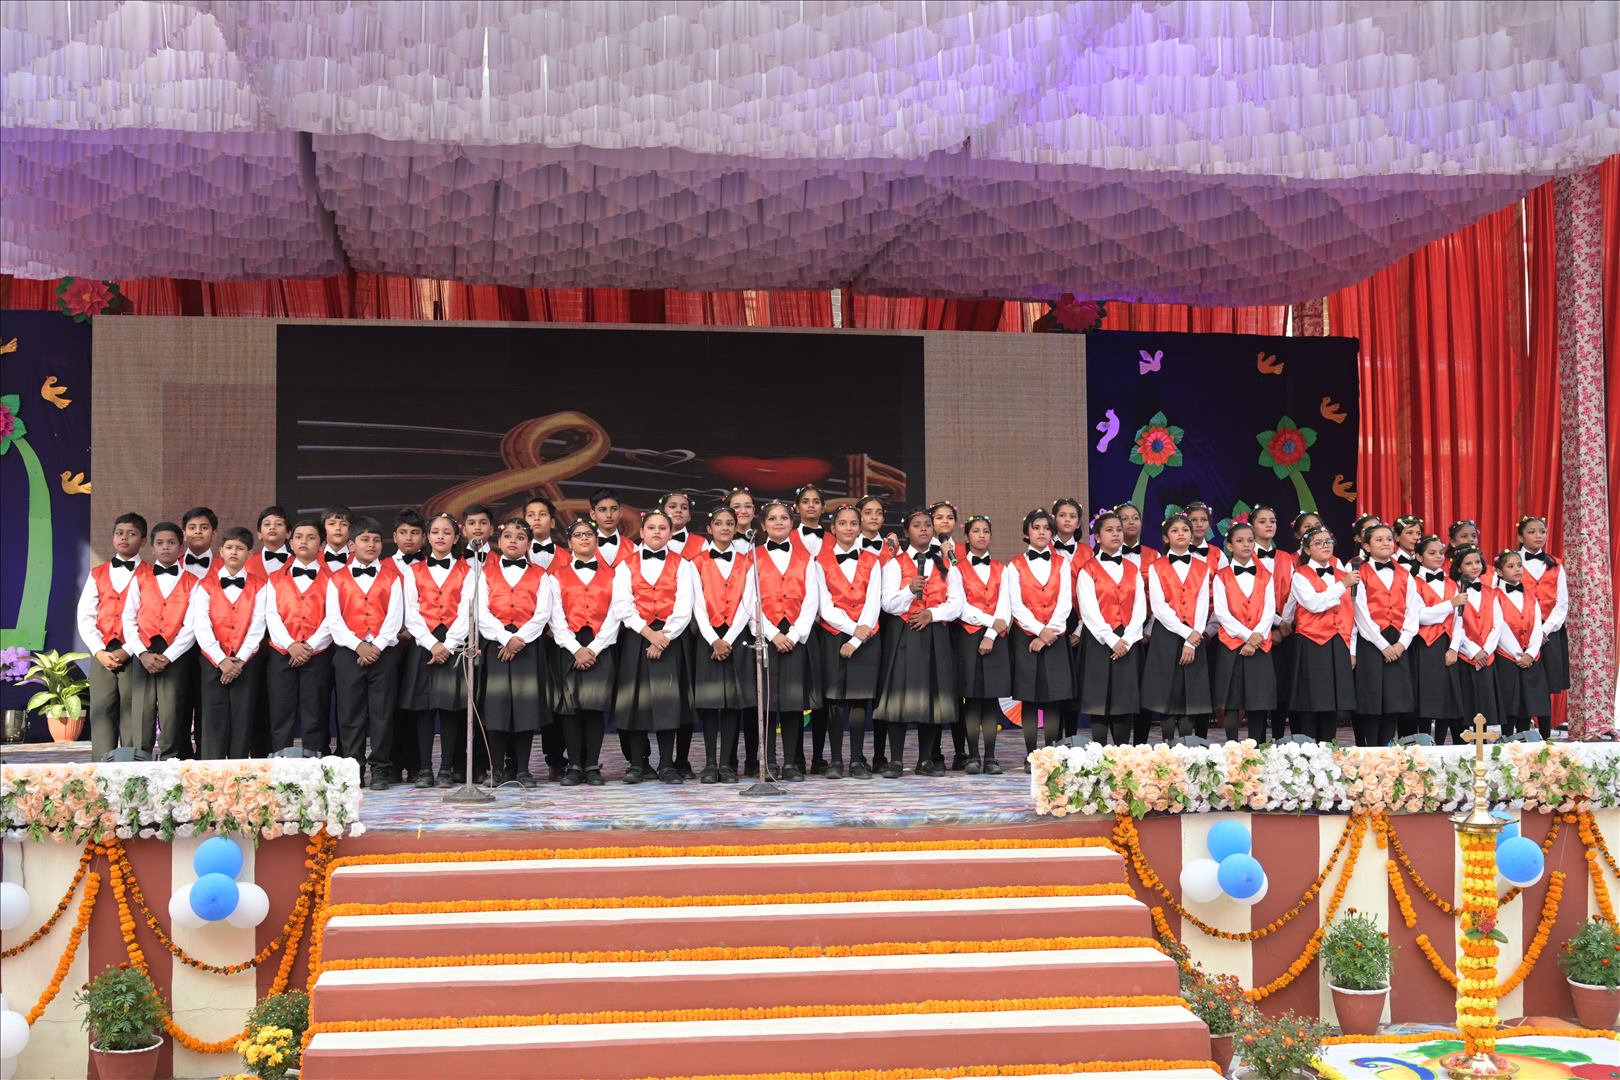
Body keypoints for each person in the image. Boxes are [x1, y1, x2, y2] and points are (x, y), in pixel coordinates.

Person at [875, 509, 963, 777]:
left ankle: (926, 759)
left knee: (931, 696)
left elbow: (957, 603)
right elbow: (887, 603)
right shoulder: (895, 564)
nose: (923, 529)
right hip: (903, 633)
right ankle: (896, 760)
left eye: (927, 525)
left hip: (934, 633)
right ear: (907, 531)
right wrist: (909, 590)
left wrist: (932, 614)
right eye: (916, 525)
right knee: (899, 698)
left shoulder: (947, 564)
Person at [612, 509, 693, 783]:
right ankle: (637, 764)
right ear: (642, 532)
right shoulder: (625, 565)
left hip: (671, 638)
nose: (657, 532)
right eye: (651, 527)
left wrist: (664, 637)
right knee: (637, 702)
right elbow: (623, 606)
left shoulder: (683, 565)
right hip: (638, 637)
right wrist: (649, 634)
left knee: (667, 702)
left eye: (662, 528)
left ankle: (667, 764)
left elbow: (684, 606)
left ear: (670, 533)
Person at [324, 517, 404, 788]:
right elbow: (334, 620)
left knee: (382, 713)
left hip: (384, 653)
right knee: (350, 713)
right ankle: (353, 767)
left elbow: (395, 618)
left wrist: (376, 646)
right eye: (365, 539)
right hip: (349, 653)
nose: (371, 544)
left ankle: (381, 767)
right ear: (351, 544)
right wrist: (358, 645)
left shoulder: (392, 577)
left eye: (376, 540)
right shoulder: (337, 579)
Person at [476, 518, 553, 786]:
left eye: (520, 538)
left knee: (524, 708)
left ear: (528, 544)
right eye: (508, 536)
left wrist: (519, 639)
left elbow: (543, 613)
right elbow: (480, 611)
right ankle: (497, 769)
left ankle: (522, 769)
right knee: (496, 708)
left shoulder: (540, 575)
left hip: (526, 646)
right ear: (499, 541)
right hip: (496, 644)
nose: (513, 541)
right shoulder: (485, 573)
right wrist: (505, 638)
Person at [749, 501, 823, 780]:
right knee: (767, 702)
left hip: (795, 636)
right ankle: (768, 761)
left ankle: (792, 762)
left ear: (792, 523)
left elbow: (812, 599)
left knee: (793, 703)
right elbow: (749, 600)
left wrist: (793, 634)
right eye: (772, 518)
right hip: (766, 635)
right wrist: (771, 633)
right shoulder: (753, 557)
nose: (778, 522)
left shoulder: (806, 558)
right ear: (763, 524)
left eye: (784, 518)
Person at [398, 511, 473, 787]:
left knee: (451, 709)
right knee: (424, 709)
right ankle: (425, 769)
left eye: (446, 532)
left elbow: (467, 611)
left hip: (454, 643)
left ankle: (446, 769)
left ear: (456, 537)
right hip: (423, 643)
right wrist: (431, 643)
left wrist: (448, 645)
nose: (440, 536)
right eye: (435, 532)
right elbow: (410, 611)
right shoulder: (413, 571)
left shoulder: (468, 571)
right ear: (427, 537)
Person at [548, 521, 620, 787]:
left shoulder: (614, 574)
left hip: (601, 645)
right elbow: (555, 618)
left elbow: (616, 614)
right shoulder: (556, 576)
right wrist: (576, 649)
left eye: (589, 534)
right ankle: (574, 765)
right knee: (571, 709)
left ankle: (592, 765)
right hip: (569, 646)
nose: (584, 539)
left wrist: (595, 648)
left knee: (594, 708)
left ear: (596, 540)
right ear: (569, 542)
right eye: (577, 535)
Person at [815, 503, 884, 779]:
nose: (848, 528)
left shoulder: (872, 560)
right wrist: (853, 629)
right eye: (842, 523)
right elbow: (825, 607)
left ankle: (856, 759)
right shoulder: (820, 561)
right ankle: (835, 760)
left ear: (860, 527)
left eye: (853, 523)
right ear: (833, 528)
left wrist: (857, 638)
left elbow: (873, 602)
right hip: (833, 635)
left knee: (859, 700)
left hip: (865, 638)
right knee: (834, 699)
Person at [186, 526, 268, 759]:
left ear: (249, 554)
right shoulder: (205, 585)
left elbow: (258, 626)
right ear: (221, 551)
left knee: (243, 717)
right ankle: (212, 771)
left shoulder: (260, 585)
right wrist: (221, 660)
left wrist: (239, 661)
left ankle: (239, 769)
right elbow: (201, 625)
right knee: (213, 718)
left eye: (240, 548)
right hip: (213, 661)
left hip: (246, 663)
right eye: (229, 547)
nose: (234, 552)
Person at [689, 506, 754, 783]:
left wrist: (727, 639)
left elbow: (747, 603)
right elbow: (697, 604)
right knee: (709, 702)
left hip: (736, 637)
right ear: (709, 528)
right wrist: (714, 639)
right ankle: (709, 763)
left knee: (732, 703)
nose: (725, 528)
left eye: (730, 523)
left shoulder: (748, 563)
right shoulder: (696, 562)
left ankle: (727, 763)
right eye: (719, 523)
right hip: (708, 638)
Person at [121, 520, 197, 756]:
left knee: (172, 710)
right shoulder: (139, 578)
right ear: (152, 548)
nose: (166, 547)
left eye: (172, 543)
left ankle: (170, 760)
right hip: (144, 651)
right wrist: (141, 653)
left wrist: (169, 656)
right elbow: (128, 618)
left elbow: (191, 626)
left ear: (181, 548)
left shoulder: (192, 582)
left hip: (175, 653)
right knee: (141, 711)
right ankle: (139, 758)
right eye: (160, 543)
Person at [262, 516, 335, 756]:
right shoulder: (275, 578)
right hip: (281, 653)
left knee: (315, 711)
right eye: (299, 537)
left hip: (318, 654)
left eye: (311, 537)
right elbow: (271, 615)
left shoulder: (333, 579)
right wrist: (291, 645)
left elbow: (332, 618)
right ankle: (278, 761)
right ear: (291, 542)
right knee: (280, 712)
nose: (304, 541)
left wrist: (309, 646)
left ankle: (317, 760)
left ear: (321, 545)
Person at [78, 512, 146, 760]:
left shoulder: (150, 574)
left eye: (132, 534)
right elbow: (85, 615)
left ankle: (131, 765)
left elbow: (152, 618)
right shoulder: (98, 573)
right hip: (103, 651)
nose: (124, 538)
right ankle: (101, 766)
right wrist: (98, 651)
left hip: (134, 652)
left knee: (132, 710)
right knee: (101, 709)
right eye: (119, 533)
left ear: (143, 541)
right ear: (113, 537)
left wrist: (128, 649)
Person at [1006, 508, 1073, 759]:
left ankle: (1052, 754)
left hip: (1055, 636)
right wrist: (1038, 631)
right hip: (1026, 637)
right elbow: (1016, 605)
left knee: (1054, 697)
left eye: (1046, 528)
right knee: (1029, 698)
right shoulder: (1015, 565)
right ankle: (1031, 755)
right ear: (1027, 533)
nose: (1042, 532)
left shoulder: (1062, 563)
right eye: (1036, 528)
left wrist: (1047, 634)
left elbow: (1065, 603)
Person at [1140, 513, 1213, 743]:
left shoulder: (1203, 568)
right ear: (1166, 537)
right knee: (1166, 690)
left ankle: (1187, 743)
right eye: (1175, 530)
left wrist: (1193, 639)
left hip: (1194, 634)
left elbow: (1203, 603)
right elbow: (1159, 606)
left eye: (1185, 530)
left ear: (1191, 535)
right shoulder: (1156, 567)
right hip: (1167, 633)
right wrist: (1187, 633)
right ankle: (1167, 743)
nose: (1181, 534)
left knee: (1190, 690)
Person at [1077, 510, 1147, 746]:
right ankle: (1099, 752)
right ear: (1097, 537)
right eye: (1109, 530)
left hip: (1128, 640)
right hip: (1099, 641)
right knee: (1099, 700)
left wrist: (1127, 639)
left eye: (1119, 530)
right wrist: (1111, 639)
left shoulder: (1132, 569)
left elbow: (1140, 608)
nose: (1116, 534)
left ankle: (1122, 753)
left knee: (1124, 700)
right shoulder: (1088, 569)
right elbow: (1089, 610)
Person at [1351, 524, 1419, 747]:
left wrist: (1401, 644)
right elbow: (1360, 613)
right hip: (1372, 641)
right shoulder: (1360, 573)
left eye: (1389, 539)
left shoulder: (1405, 574)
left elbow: (1412, 612)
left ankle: (1388, 748)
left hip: (1398, 640)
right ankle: (1371, 748)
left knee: (1394, 700)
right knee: (1372, 699)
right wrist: (1383, 646)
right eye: (1378, 540)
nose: (1385, 543)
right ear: (1366, 546)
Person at [1287, 525, 1356, 743]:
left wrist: (1351, 648)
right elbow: (1313, 604)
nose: (1326, 546)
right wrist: (1341, 585)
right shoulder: (1300, 575)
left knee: (1332, 702)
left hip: (1338, 640)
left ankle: (1328, 746)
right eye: (1319, 543)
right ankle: (1308, 748)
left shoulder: (1343, 575)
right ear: (1307, 549)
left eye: (1328, 542)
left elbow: (1352, 613)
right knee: (1311, 699)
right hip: (1312, 641)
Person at [1209, 521, 1275, 742]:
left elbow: (1269, 611)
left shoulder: (1266, 575)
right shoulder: (1222, 576)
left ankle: (1257, 745)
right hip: (1232, 644)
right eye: (1240, 541)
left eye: (1250, 540)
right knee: (1232, 698)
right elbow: (1222, 613)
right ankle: (1232, 745)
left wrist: (1255, 639)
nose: (1246, 544)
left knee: (1258, 699)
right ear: (1229, 546)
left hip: (1260, 644)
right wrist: (1247, 636)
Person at [954, 514, 1010, 774]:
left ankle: (990, 757)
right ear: (967, 536)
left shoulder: (1001, 568)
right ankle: (973, 756)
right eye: (975, 531)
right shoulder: (957, 568)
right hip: (967, 637)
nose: (981, 535)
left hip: (995, 637)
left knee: (991, 699)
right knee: (973, 698)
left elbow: (1005, 604)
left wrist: (991, 634)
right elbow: (960, 606)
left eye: (986, 531)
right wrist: (990, 622)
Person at [1408, 535, 1465, 742]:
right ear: (1419, 557)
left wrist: (1454, 648)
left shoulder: (1452, 583)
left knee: (1446, 700)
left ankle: (1440, 744)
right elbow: (1421, 616)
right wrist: (1450, 604)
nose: (1438, 556)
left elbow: (1459, 618)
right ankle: (1423, 743)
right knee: (1425, 699)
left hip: (1447, 644)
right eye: (1432, 553)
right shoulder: (1414, 583)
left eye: (1441, 552)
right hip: (1424, 645)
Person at [1491, 549, 1549, 738]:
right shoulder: (1494, 596)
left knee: (1527, 703)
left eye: (1519, 565)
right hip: (1507, 657)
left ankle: (1524, 739)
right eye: (1510, 566)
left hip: (1530, 657)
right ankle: (1507, 739)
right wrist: (1518, 654)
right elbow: (1500, 627)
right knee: (1510, 702)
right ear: (1499, 571)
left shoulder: (1530, 595)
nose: (1517, 569)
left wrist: (1530, 653)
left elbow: (1537, 626)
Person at [1515, 516, 1568, 717]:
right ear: (1521, 537)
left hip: (1549, 631)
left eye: (1542, 531)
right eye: (1532, 532)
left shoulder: (1556, 564)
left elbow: (1562, 603)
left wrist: (1544, 630)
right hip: (1520, 629)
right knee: (1522, 678)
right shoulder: (1511, 562)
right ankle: (1520, 728)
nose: (1539, 535)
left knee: (1547, 682)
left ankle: (1546, 730)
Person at [390, 508, 428, 780]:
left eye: (415, 533)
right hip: (389, 645)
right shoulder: (382, 566)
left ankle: (416, 765)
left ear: (423, 537)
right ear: (394, 536)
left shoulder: (431, 566)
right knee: (390, 708)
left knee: (416, 707)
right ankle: (392, 765)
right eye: (403, 532)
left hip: (421, 643)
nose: (409, 538)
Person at [1449, 545, 1502, 739]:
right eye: (1468, 563)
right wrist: (1473, 651)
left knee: (1484, 705)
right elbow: (1455, 624)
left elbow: (1497, 624)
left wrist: (1485, 651)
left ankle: (1484, 746)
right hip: (1464, 656)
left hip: (1486, 657)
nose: (1474, 566)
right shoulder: (1453, 590)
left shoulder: (1491, 592)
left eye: (1477, 562)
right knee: (1464, 704)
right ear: (1459, 567)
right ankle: (1461, 745)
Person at [248, 506, 293, 579]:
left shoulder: (298, 563)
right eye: (267, 524)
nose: (272, 527)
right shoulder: (246, 563)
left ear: (288, 534)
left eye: (279, 524)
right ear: (259, 534)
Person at [589, 489, 628, 568]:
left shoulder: (633, 548)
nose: (609, 515)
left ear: (620, 513)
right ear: (593, 514)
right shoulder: (583, 547)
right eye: (602, 510)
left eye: (614, 509)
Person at [180, 506, 217, 579]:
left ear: (213, 534)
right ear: (184, 534)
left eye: (204, 528)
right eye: (192, 528)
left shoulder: (226, 567)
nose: (198, 532)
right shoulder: (172, 564)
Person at [523, 497, 560, 569]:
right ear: (524, 523)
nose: (536, 518)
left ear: (552, 523)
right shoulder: (515, 556)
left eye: (542, 514)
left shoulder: (567, 558)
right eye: (530, 515)